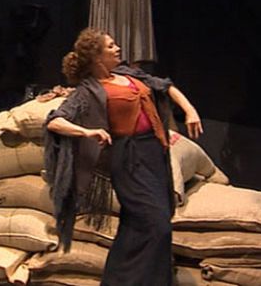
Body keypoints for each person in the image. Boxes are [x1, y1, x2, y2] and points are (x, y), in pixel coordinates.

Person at [44, 28, 203, 286]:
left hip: (154, 153)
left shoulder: (128, 74)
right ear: (97, 58)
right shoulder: (89, 90)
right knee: (157, 225)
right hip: (128, 158)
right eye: (111, 46)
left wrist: (189, 110)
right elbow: (55, 121)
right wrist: (87, 131)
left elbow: (165, 86)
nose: (118, 49)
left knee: (136, 226)